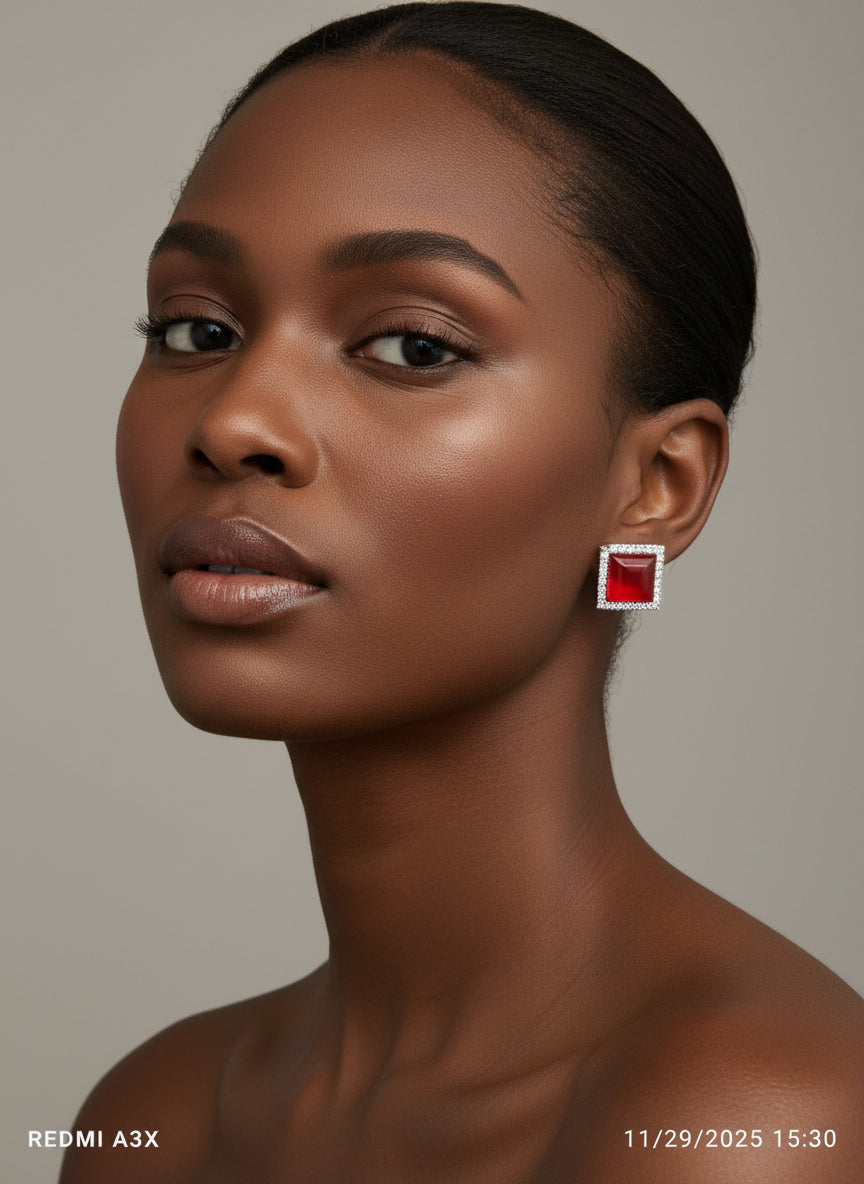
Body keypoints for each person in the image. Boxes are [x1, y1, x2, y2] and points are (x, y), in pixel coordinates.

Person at [59, 4, 864, 1180]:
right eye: (197, 326)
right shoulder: (149, 1118)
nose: (235, 419)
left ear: (656, 484)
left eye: (413, 347)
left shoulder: (750, 1116)